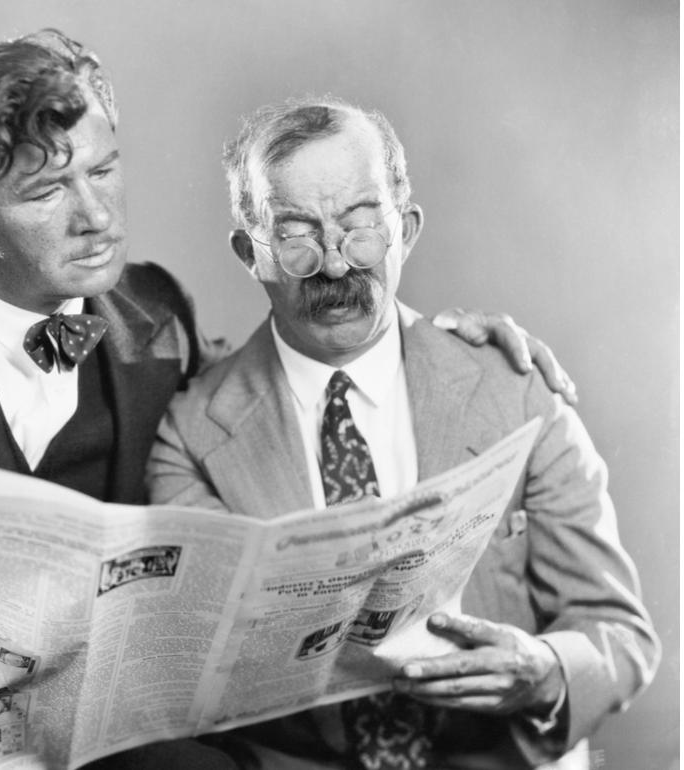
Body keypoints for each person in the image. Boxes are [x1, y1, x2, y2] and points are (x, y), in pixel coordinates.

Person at [0, 30, 577, 770]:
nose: (98, 215)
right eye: (46, 190)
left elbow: (267, 386)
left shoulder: (152, 309)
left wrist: (429, 339)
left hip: (90, 741)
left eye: (104, 171)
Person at [146, 95, 660, 769]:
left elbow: (619, 634)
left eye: (362, 228)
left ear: (406, 229)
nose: (335, 266)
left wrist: (544, 670)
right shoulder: (190, 437)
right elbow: (203, 672)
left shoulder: (516, 388)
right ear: (250, 251)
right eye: (297, 235)